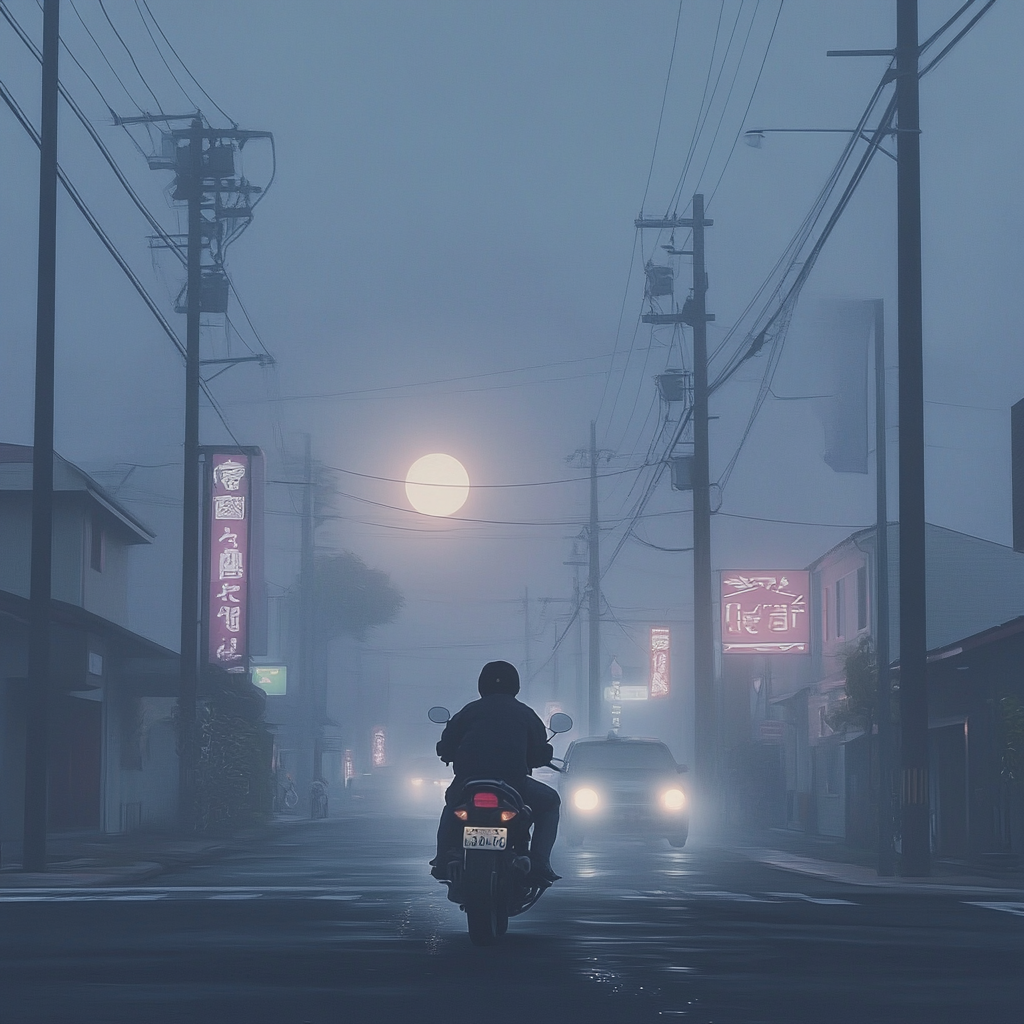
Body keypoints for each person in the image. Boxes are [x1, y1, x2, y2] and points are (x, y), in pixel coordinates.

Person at [431, 660, 561, 884]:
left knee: (451, 806)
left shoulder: (468, 712)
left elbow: (445, 746)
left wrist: (449, 752)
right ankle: (539, 863)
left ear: (482, 685)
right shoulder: (526, 714)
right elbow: (540, 751)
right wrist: (540, 757)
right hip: (514, 785)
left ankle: (444, 857)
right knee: (550, 802)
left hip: (467, 784)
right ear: (515, 686)